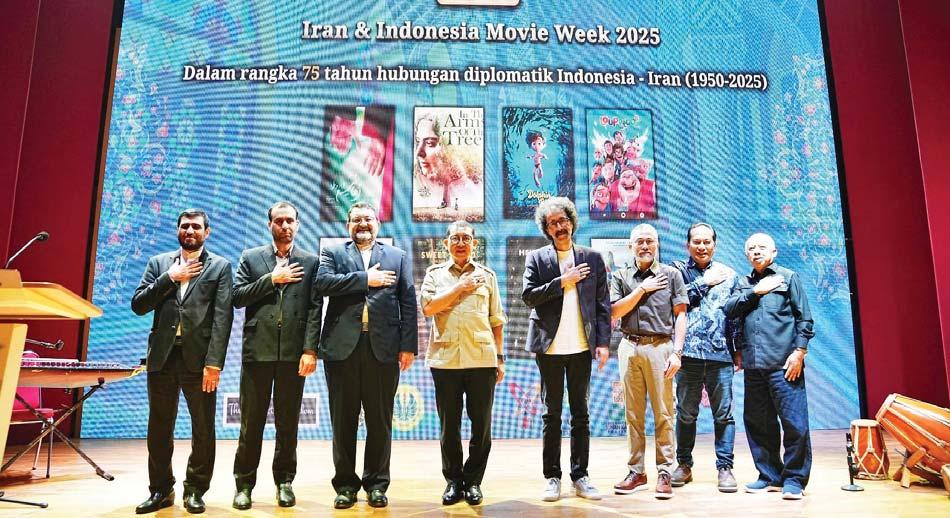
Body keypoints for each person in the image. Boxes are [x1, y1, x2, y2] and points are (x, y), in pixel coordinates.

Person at [314, 202, 418, 509]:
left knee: (380, 420)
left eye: (368, 219)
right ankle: (345, 486)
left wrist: (408, 345)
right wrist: (364, 279)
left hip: (383, 350)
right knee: (343, 421)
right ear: (348, 225)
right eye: (356, 219)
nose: (363, 224)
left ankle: (377, 484)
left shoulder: (397, 257)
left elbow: (408, 301)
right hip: (341, 350)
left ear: (378, 224)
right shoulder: (333, 253)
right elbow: (322, 284)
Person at [131, 209, 233, 515]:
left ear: (207, 232)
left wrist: (214, 363)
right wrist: (170, 278)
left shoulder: (220, 267)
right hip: (162, 358)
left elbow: (222, 318)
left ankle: (195, 489)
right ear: (177, 230)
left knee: (203, 428)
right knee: (159, 428)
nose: (190, 230)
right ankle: (161, 489)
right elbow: (139, 305)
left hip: (199, 362)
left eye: (196, 226)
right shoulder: (159, 263)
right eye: (185, 226)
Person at [230, 202, 321, 510]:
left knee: (288, 423)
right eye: (279, 221)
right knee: (251, 424)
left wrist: (310, 350)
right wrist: (271, 279)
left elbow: (314, 309)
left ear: (298, 224)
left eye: (290, 221)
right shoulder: (251, 258)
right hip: (258, 352)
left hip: (294, 355)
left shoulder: (310, 261)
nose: (285, 226)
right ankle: (244, 485)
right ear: (269, 224)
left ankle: (284, 482)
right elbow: (237, 297)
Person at [522, 197, 610, 502]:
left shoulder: (592, 258)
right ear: (546, 229)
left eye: (563, 221)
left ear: (572, 222)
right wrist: (563, 281)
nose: (559, 227)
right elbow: (528, 296)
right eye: (553, 223)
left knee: (581, 414)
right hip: (549, 348)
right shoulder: (537, 259)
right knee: (551, 414)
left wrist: (603, 343)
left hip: (581, 348)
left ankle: (580, 475)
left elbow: (602, 305)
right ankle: (552, 477)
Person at [420, 221, 507, 506]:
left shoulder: (488, 276)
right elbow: (429, 308)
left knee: (481, 426)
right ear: (446, 243)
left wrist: (499, 358)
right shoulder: (434, 274)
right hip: (445, 361)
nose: (460, 243)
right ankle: (453, 481)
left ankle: (473, 481)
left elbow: (496, 321)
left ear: (474, 244)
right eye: (455, 238)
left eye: (466, 239)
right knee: (449, 427)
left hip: (482, 360)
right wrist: (460, 287)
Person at [723, 233, 814, 500]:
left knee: (795, 424)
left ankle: (794, 479)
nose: (756, 251)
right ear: (746, 255)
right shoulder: (744, 283)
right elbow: (730, 310)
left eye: (762, 247)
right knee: (758, 424)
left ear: (774, 251)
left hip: (784, 364)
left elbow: (804, 319)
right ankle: (770, 475)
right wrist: (756, 291)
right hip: (753, 366)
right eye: (751, 248)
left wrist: (799, 352)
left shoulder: (788, 277)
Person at [610, 223, 687, 500]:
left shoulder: (672, 275)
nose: (645, 246)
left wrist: (677, 352)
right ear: (630, 246)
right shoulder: (620, 276)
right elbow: (614, 311)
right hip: (629, 347)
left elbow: (681, 314)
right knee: (633, 414)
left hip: (661, 348)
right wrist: (642, 289)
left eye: (650, 241)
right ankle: (637, 471)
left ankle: (665, 471)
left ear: (657, 244)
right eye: (640, 241)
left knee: (664, 412)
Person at [669, 223, 740, 492]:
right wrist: (704, 282)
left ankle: (725, 467)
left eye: (707, 242)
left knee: (724, 415)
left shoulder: (729, 275)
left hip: (721, 355)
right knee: (686, 414)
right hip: (687, 355)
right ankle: (684, 465)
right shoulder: (677, 272)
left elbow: (735, 315)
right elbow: (674, 302)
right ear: (687, 245)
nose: (702, 246)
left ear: (714, 245)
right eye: (696, 242)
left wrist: (738, 349)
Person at [415, 113, 481, 211]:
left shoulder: (470, 188)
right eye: (417, 141)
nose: (418, 153)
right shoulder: (417, 181)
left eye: (430, 143)